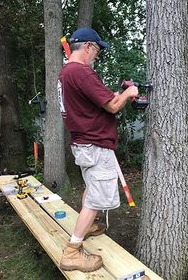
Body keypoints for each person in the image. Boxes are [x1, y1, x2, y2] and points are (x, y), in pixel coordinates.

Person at [57, 27, 138, 272]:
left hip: (83, 144)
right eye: (98, 50)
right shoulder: (81, 72)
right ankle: (72, 251)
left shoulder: (66, 73)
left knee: (90, 187)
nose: (98, 55)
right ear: (89, 46)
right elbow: (113, 106)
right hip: (95, 145)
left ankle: (88, 226)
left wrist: (115, 95)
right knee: (95, 199)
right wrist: (128, 93)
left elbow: (94, 101)